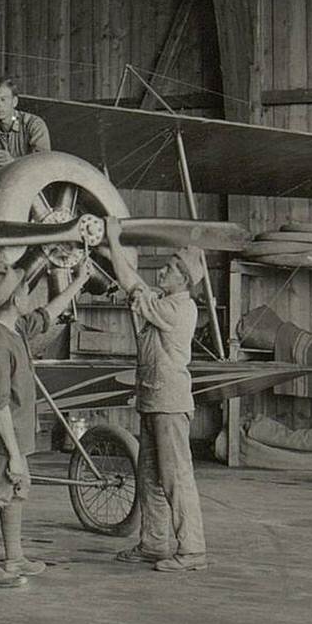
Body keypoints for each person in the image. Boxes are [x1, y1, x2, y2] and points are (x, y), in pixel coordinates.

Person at [0, 260, 91, 587]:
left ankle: (14, 557)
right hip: (1, 439)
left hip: (16, 435)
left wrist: (78, 282)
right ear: (15, 300)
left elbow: (49, 313)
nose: (29, 293)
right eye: (25, 289)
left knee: (16, 491)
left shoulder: (15, 327)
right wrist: (13, 454)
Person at [103, 221, 209, 572]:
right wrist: (105, 247)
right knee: (149, 475)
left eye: (169, 269)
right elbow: (131, 282)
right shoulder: (162, 302)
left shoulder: (179, 309)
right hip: (151, 400)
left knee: (174, 476)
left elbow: (131, 283)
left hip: (169, 404)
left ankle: (192, 550)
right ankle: (154, 543)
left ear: (184, 280)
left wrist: (113, 237)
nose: (161, 271)